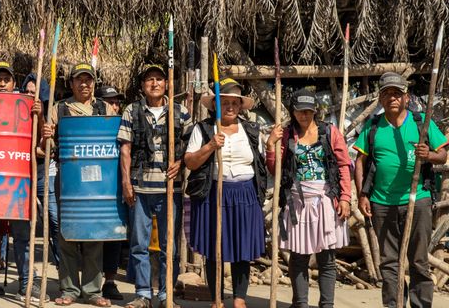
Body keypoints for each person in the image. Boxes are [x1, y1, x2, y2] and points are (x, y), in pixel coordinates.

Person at [353, 72, 447, 308]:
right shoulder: (373, 126)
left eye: (397, 93)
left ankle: (420, 305)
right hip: (381, 203)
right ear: (381, 99)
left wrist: (429, 155)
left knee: (418, 261)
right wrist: (362, 194)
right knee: (389, 263)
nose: (392, 98)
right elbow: (360, 162)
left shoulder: (421, 122)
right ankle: (394, 305)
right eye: (387, 94)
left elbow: (443, 154)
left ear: (406, 97)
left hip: (418, 200)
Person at [266, 88, 352, 308]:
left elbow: (343, 165)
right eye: (300, 111)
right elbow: (276, 171)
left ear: (315, 111)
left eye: (309, 111)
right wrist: (270, 146)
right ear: (292, 112)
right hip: (296, 202)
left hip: (325, 200)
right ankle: (300, 304)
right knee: (299, 257)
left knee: (327, 258)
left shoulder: (329, 132)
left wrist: (345, 198)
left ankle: (327, 305)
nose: (304, 115)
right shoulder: (285, 135)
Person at [184, 78, 266, 308]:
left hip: (245, 194)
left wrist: (271, 149)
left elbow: (260, 166)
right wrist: (210, 146)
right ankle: (217, 298)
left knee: (243, 247)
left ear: (240, 106)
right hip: (214, 193)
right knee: (214, 247)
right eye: (224, 102)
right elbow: (190, 162)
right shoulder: (202, 129)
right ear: (214, 106)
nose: (229, 107)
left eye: (234, 103)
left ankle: (239, 298)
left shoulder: (251, 131)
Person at [43, 62, 117, 307]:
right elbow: (44, 150)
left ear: (94, 83)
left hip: (98, 183)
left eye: (88, 80)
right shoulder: (59, 109)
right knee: (67, 236)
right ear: (71, 83)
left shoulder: (104, 108)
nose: (84, 84)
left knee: (95, 235)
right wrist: (46, 136)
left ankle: (93, 291)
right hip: (68, 181)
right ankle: (69, 290)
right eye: (79, 80)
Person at [0, 61, 47, 303]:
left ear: (15, 83)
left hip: (19, 183)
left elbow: (40, 147)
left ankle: (28, 284)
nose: (2, 83)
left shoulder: (25, 106)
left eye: (7, 78)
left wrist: (40, 115)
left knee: (24, 237)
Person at [117, 66, 191, 308]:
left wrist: (180, 163)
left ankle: (166, 295)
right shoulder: (132, 110)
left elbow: (192, 148)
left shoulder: (181, 113)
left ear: (167, 84)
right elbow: (125, 149)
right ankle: (143, 294)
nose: (155, 83)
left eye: (159, 79)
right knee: (139, 244)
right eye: (150, 79)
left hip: (171, 189)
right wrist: (127, 182)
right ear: (143, 85)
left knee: (170, 246)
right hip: (140, 188)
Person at [22, 72, 60, 268]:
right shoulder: (18, 114)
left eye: (34, 93)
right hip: (23, 174)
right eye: (27, 92)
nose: (30, 96)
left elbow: (47, 149)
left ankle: (64, 271)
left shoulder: (50, 113)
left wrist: (41, 116)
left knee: (54, 221)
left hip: (45, 174)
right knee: (21, 224)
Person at [97, 84, 126, 302]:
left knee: (115, 235)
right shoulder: (94, 124)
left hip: (117, 185)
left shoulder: (124, 123)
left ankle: (110, 281)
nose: (114, 105)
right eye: (109, 101)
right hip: (95, 186)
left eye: (117, 102)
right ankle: (92, 282)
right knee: (94, 236)